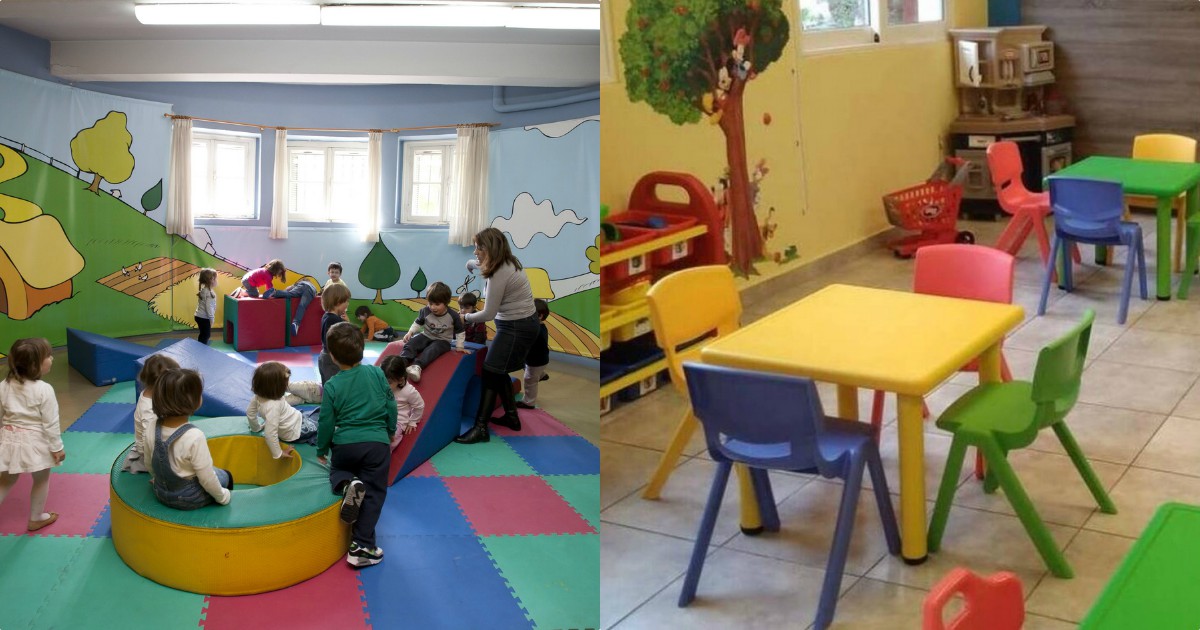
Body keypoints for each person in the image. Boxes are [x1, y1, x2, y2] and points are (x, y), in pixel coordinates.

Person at [317, 322, 396, 567]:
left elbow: (326, 421)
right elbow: (391, 405)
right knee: (373, 493)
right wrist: (390, 431)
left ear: (332, 356)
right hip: (376, 445)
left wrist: (322, 449)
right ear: (362, 347)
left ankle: (346, 483)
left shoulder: (332, 385)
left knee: (338, 469)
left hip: (345, 446)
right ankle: (362, 546)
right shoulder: (377, 373)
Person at [455, 227, 540, 444]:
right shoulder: (505, 262)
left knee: (491, 370)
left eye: (479, 248)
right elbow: (483, 264)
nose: (475, 252)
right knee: (497, 369)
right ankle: (511, 417)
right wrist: (472, 263)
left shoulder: (499, 272)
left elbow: (488, 314)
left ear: (491, 249)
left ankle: (480, 428)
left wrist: (464, 318)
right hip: (515, 324)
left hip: (517, 327)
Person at [143, 369, 233, 510]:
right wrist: (223, 497)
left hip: (161, 492)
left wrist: (157, 479)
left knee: (212, 471)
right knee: (226, 475)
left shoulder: (152, 426)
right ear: (193, 401)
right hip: (189, 499)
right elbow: (207, 478)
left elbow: (149, 461)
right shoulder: (195, 436)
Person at [0, 338, 65, 532]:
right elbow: (51, 423)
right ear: (35, 365)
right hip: (35, 443)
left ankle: (37, 517)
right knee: (41, 479)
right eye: (48, 356)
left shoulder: (4, 385)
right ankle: (36, 518)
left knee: (6, 480)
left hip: (9, 440)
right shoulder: (44, 390)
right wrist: (57, 448)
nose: (52, 358)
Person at [122, 354, 181, 473]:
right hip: (150, 455)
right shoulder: (148, 410)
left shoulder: (151, 392)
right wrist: (157, 473)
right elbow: (149, 445)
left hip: (158, 441)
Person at [247, 362, 319, 459]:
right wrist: (279, 454)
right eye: (285, 383)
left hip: (296, 418)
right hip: (295, 431)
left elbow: (250, 413)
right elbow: (269, 434)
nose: (287, 385)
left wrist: (255, 428)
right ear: (277, 387)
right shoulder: (273, 405)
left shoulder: (258, 396)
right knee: (324, 424)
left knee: (319, 412)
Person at [400, 281, 468, 383]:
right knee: (412, 343)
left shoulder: (453, 315)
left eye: (437, 304)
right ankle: (402, 362)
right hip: (427, 335)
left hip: (443, 341)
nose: (433, 307)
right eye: (430, 303)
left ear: (446, 303)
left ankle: (417, 366)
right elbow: (418, 322)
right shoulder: (425, 311)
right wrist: (410, 332)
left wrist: (460, 346)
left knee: (432, 349)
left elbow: (460, 331)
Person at [379, 356, 424, 450]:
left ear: (400, 380)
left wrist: (413, 421)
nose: (384, 385)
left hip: (397, 422)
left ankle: (388, 449)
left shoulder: (408, 391)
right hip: (380, 417)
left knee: (389, 438)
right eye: (382, 379)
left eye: (389, 382)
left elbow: (419, 406)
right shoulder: (380, 383)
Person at [516, 299, 551, 410]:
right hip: (541, 360)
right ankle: (541, 375)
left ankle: (529, 402)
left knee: (529, 381)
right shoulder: (541, 327)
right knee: (530, 371)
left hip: (535, 362)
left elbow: (526, 345)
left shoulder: (535, 331)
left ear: (540, 316)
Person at [318, 283, 352, 385]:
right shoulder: (334, 320)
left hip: (325, 356)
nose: (348, 304)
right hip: (331, 359)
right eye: (346, 301)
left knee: (328, 385)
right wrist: (347, 323)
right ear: (338, 302)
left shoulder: (327, 316)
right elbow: (347, 336)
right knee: (334, 386)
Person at [194, 268, 218, 345]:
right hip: (204, 318)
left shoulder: (204, 290)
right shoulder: (210, 293)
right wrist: (211, 319)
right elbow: (209, 307)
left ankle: (199, 346)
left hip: (199, 316)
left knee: (203, 334)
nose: (216, 281)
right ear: (210, 281)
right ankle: (201, 349)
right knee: (206, 335)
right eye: (215, 279)